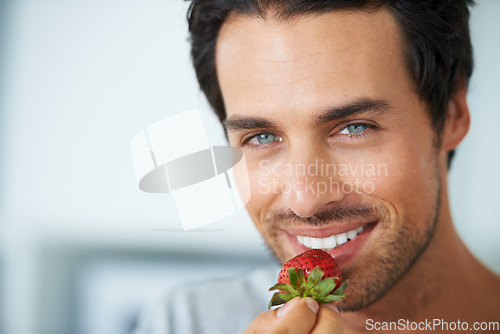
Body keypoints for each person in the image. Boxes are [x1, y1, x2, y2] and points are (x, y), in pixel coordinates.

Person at [133, 1, 500, 333]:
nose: (305, 200)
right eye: (261, 137)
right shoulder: (183, 321)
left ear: (452, 113)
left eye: (354, 128)